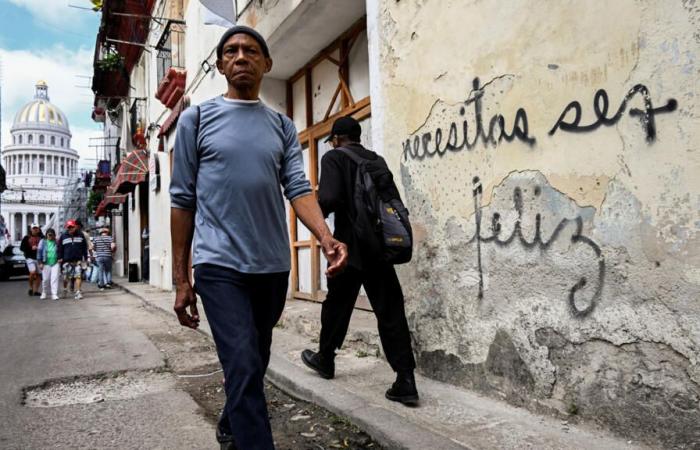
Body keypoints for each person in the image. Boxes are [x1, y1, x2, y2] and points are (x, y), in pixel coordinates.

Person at [170, 25, 348, 450]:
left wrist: (325, 236)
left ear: (267, 63)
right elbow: (181, 200)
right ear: (219, 64)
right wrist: (181, 278)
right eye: (230, 50)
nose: (241, 56)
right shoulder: (196, 120)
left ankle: (233, 423)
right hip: (217, 265)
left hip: (271, 266)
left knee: (255, 358)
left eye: (251, 50)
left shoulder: (282, 126)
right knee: (245, 360)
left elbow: (299, 188)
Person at [301, 116, 420, 406]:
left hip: (349, 247)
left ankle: (325, 359)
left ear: (339, 139)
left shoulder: (334, 158)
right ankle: (405, 379)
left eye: (332, 140)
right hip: (379, 248)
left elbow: (328, 199)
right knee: (390, 310)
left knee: (337, 305)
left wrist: (311, 202)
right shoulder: (376, 160)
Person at [58, 219, 88, 300]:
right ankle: (65, 290)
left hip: (78, 260)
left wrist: (85, 258)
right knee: (66, 278)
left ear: (75, 227)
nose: (70, 229)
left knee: (78, 276)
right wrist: (59, 258)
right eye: (69, 227)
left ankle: (78, 292)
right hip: (66, 261)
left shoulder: (80, 235)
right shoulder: (63, 236)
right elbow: (60, 248)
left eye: (72, 227)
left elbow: (84, 247)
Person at [20, 223, 43, 296]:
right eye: (34, 228)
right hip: (30, 258)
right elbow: (22, 248)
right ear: (31, 229)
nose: (35, 230)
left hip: (39, 258)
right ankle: (31, 288)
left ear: (39, 229)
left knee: (39, 275)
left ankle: (36, 291)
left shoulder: (42, 237)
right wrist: (31, 248)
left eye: (36, 228)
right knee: (32, 272)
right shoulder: (26, 238)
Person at [37, 228, 60, 300]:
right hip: (46, 263)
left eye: (51, 235)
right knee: (45, 279)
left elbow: (60, 250)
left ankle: (54, 294)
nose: (50, 236)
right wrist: (40, 262)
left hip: (55, 263)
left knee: (54, 279)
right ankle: (44, 292)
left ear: (54, 235)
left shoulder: (57, 242)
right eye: (48, 235)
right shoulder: (42, 242)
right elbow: (39, 252)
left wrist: (60, 258)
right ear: (46, 235)